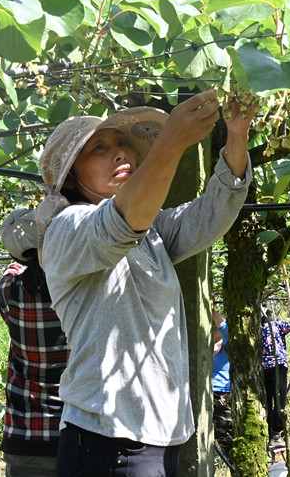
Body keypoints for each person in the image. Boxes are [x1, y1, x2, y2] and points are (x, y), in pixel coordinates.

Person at [35, 89, 254, 477]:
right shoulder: (66, 228)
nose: (120, 153)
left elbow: (209, 215)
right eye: (99, 148)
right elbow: (118, 225)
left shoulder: (151, 234)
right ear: (70, 176)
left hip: (158, 435)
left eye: (124, 144)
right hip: (107, 440)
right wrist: (170, 142)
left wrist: (236, 138)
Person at [0, 208, 69, 477]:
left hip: (23, 435)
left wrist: (20, 255)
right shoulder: (75, 287)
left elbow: (15, 268)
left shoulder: (7, 290)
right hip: (77, 433)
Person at [261, 306, 290, 447]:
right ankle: (274, 432)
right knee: (279, 398)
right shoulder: (277, 325)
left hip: (266, 367)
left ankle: (272, 431)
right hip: (277, 365)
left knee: (269, 399)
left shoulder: (257, 330)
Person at [212, 307, 234, 465]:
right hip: (209, 394)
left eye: (214, 328)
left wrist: (211, 309)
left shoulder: (226, 342)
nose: (213, 330)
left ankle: (236, 468)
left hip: (222, 394)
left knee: (227, 437)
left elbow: (225, 327)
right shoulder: (206, 345)